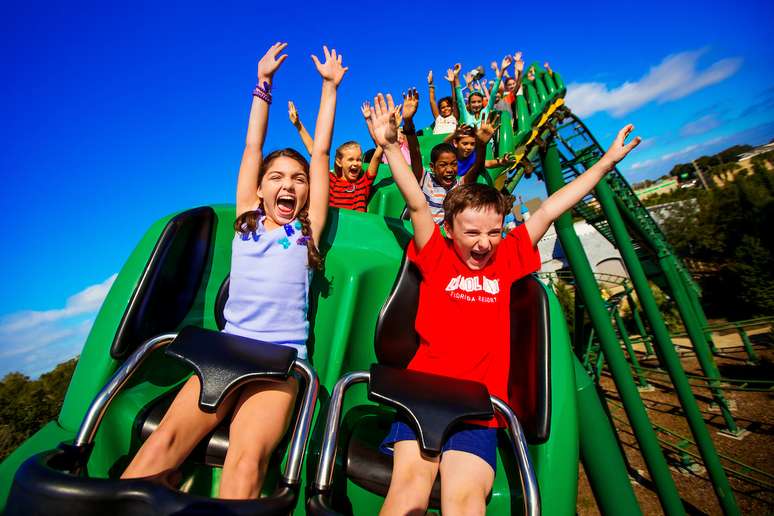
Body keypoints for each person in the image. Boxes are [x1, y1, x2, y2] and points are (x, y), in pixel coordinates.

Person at [365, 91, 640, 515]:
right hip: (424, 395)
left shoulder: (507, 258)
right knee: (408, 492)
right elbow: (418, 203)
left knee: (466, 499)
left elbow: (549, 208)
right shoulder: (436, 255)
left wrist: (604, 164)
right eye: (472, 233)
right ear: (451, 230)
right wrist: (388, 145)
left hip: (480, 406)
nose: (483, 243)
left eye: (493, 232)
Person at [120, 43, 348, 500]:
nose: (289, 184)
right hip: (224, 351)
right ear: (260, 188)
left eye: (298, 179)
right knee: (159, 445)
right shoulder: (245, 221)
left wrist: (329, 88)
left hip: (279, 359)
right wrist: (263, 84)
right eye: (277, 177)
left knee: (245, 463)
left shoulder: (308, 233)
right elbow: (252, 146)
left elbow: (321, 153)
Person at [395, 89, 496, 225]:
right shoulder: (425, 179)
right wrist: (408, 122)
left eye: (453, 164)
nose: (449, 169)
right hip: (419, 233)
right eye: (443, 165)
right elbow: (415, 152)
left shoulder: (458, 185)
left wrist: (482, 146)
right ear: (432, 167)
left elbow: (477, 167)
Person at [454, 55, 511, 126]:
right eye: (473, 102)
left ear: (482, 102)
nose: (476, 104)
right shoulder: (466, 115)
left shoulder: (486, 111)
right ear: (469, 103)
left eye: (479, 101)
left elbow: (493, 93)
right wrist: (456, 77)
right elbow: (460, 99)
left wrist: (501, 70)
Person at [427, 70, 458, 134]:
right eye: (443, 107)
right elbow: (432, 101)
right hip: (438, 143)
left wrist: (452, 84)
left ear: (452, 107)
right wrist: (431, 84)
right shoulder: (438, 118)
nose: (446, 108)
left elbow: (454, 100)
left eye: (448, 106)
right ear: (440, 110)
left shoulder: (454, 117)